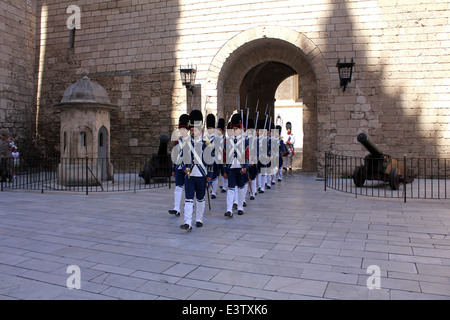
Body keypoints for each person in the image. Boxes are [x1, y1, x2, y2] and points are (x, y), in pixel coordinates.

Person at [180, 109, 213, 231]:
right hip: (189, 176)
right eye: (191, 130)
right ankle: (187, 222)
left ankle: (199, 219)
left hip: (201, 175)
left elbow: (210, 161)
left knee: (200, 198)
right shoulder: (186, 143)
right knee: (188, 199)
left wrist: (210, 174)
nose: (193, 132)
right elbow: (182, 159)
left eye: (195, 130)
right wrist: (184, 168)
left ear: (200, 130)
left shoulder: (206, 144)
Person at [223, 113, 248, 217]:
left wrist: (246, 167)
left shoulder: (245, 141)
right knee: (231, 188)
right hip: (231, 168)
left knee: (241, 187)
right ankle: (229, 209)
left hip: (241, 168)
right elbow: (224, 157)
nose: (235, 130)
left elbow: (247, 155)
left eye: (237, 128)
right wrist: (224, 170)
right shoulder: (228, 142)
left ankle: (240, 207)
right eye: (233, 128)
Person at [169, 114, 191, 216]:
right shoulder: (177, 141)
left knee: (188, 188)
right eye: (181, 129)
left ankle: (188, 206)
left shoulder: (192, 141)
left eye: (184, 129)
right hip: (178, 166)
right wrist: (173, 169)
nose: (182, 131)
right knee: (178, 187)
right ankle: (176, 208)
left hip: (188, 167)